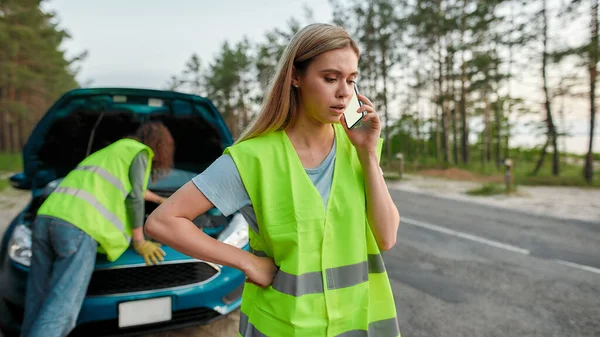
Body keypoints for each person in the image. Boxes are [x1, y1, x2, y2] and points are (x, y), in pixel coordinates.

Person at [145, 23, 401, 336]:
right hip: (281, 327)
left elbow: (386, 238)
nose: (344, 92)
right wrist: (246, 263)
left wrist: (368, 155)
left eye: (351, 80)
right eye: (330, 78)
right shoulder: (253, 157)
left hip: (356, 324)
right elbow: (163, 222)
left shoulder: (359, 148)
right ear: (295, 77)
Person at [21, 122, 175, 337]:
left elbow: (134, 188)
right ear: (160, 144)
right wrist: (139, 241)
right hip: (77, 226)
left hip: (47, 217)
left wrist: (160, 200)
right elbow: (134, 198)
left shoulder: (114, 151)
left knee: (37, 299)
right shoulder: (141, 152)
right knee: (61, 309)